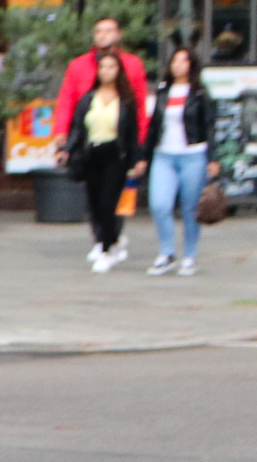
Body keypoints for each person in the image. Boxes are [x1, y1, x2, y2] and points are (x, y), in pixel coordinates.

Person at [63, 49, 142, 272]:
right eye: (103, 67)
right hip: (92, 153)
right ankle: (106, 240)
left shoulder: (125, 99)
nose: (106, 71)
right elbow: (77, 128)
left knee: (109, 203)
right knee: (95, 203)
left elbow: (132, 133)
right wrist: (68, 150)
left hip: (115, 154)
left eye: (111, 67)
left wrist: (136, 159)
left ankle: (107, 249)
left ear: (119, 71)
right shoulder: (89, 98)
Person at [143, 46, 217, 278]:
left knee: (190, 208)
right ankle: (167, 252)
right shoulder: (163, 91)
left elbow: (210, 126)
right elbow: (154, 126)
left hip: (192, 154)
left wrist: (213, 158)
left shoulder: (199, 93)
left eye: (184, 61)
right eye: (175, 60)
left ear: (191, 65)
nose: (178, 65)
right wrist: (143, 157)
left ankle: (190, 256)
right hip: (164, 154)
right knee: (159, 204)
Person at [55, 16, 150, 156]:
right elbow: (66, 100)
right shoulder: (78, 65)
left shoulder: (133, 65)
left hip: (122, 138)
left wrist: (141, 141)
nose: (103, 35)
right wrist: (60, 130)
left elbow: (140, 104)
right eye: (99, 31)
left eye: (108, 31)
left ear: (118, 35)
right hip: (86, 137)